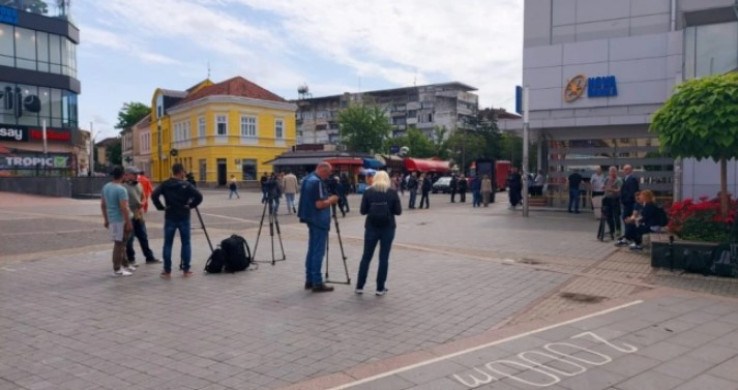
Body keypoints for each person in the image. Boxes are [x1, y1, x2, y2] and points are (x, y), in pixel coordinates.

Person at [151, 163, 203, 279]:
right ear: (180, 172)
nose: (185, 174)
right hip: (184, 216)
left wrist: (160, 207)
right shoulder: (186, 185)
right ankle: (186, 270)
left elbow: (154, 195)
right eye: (184, 172)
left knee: (168, 244)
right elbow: (199, 196)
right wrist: (191, 205)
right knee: (186, 243)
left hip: (170, 216)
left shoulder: (165, 184)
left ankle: (167, 270)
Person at [356, 170, 402, 296]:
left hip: (371, 227)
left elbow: (362, 211)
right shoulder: (392, 192)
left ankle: (360, 286)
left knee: (366, 257)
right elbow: (398, 212)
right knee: (383, 258)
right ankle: (380, 288)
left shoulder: (368, 192)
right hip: (388, 228)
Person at [297, 162, 339, 293]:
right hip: (318, 220)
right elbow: (320, 204)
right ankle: (317, 282)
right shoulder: (317, 182)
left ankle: (309, 279)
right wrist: (332, 199)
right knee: (318, 251)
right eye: (328, 173)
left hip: (310, 218)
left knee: (312, 250)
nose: (328, 176)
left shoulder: (307, 179)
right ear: (322, 170)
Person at [100, 166, 135, 277]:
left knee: (120, 243)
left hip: (112, 219)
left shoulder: (106, 187)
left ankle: (125, 264)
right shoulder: (121, 190)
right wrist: (128, 222)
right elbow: (123, 207)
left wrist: (106, 219)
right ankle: (117, 268)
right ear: (123, 175)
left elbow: (103, 205)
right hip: (120, 220)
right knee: (119, 244)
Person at [123, 167, 158, 266]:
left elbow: (143, 197)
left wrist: (142, 203)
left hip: (139, 214)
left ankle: (149, 257)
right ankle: (131, 259)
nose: (136, 176)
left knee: (143, 236)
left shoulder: (139, 185)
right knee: (130, 238)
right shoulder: (124, 187)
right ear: (128, 175)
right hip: (130, 214)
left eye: (136, 174)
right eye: (134, 174)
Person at [602, 166, 622, 240]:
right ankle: (612, 230)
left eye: (614, 171)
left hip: (615, 199)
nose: (612, 173)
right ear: (609, 172)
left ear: (616, 172)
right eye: (611, 171)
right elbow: (604, 186)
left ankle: (618, 230)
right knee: (608, 216)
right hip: (607, 199)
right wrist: (604, 187)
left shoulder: (619, 180)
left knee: (616, 216)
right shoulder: (607, 178)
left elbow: (619, 190)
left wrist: (610, 189)